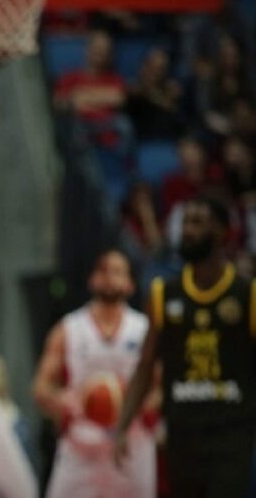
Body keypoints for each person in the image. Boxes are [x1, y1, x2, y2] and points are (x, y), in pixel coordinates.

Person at [115, 195, 256, 498]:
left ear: (221, 231)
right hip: (182, 435)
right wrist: (122, 426)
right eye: (185, 222)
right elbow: (145, 365)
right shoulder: (163, 295)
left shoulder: (247, 294)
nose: (187, 230)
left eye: (197, 222)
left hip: (232, 434)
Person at [34, 249, 157, 498]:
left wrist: (135, 406)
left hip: (130, 444)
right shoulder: (68, 328)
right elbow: (40, 387)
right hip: (82, 445)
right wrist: (65, 402)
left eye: (117, 272)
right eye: (103, 271)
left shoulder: (145, 330)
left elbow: (162, 387)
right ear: (92, 280)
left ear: (130, 284)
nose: (109, 278)